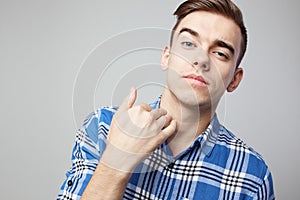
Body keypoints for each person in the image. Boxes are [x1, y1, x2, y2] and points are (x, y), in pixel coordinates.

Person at [57, 0, 275, 199]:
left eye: (220, 53)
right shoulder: (103, 128)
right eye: (189, 44)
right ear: (166, 57)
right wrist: (115, 162)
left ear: (234, 80)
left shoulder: (252, 176)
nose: (200, 60)